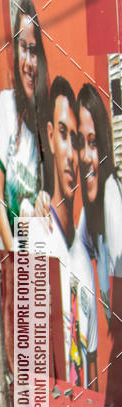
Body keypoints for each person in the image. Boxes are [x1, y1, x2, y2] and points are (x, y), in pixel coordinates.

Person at [46, 77, 98, 390]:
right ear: (50, 137)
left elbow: (91, 370)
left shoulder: (82, 256)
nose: (71, 154)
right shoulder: (33, 223)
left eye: (76, 141)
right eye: (64, 135)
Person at [0, 0, 50, 251]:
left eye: (34, 50)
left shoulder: (49, 121)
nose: (27, 61)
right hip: (14, 252)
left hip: (40, 253)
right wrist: (11, 252)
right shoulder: (7, 104)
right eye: (22, 48)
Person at [76, 82, 122, 326]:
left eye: (92, 143)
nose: (85, 156)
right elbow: (74, 253)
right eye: (79, 143)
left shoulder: (112, 197)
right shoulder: (90, 210)